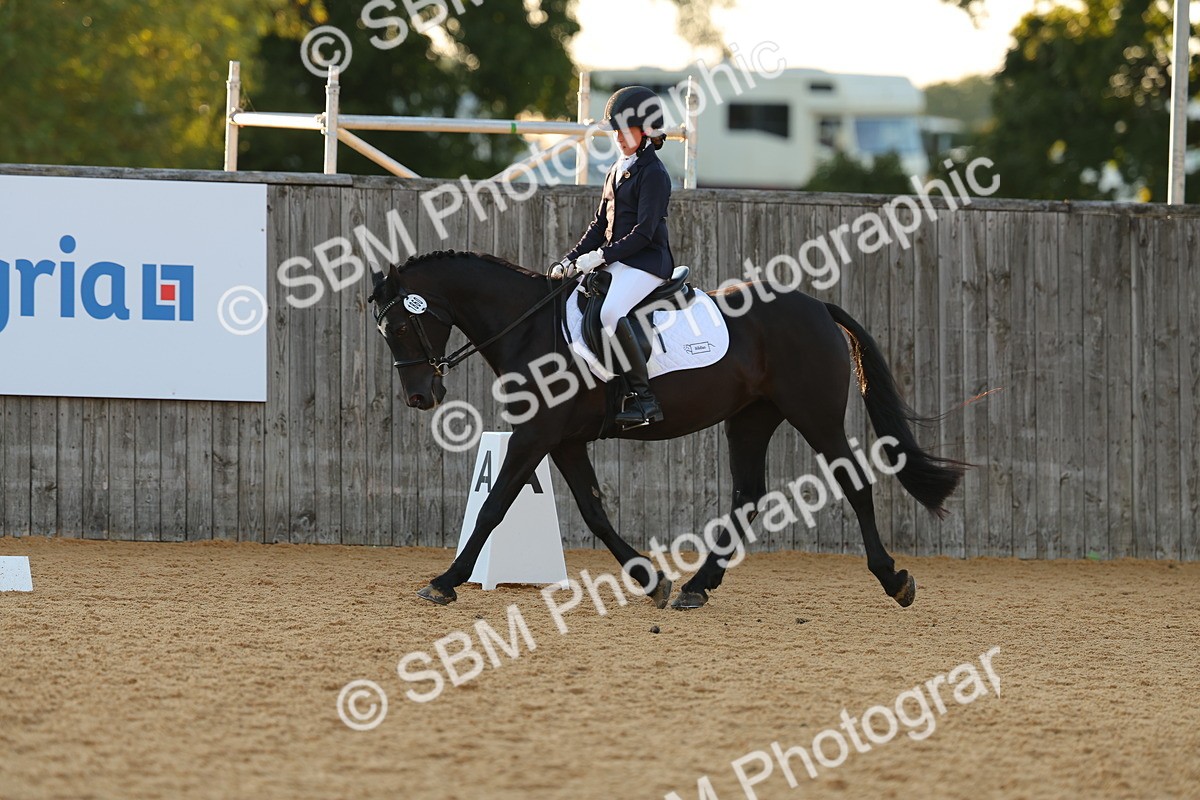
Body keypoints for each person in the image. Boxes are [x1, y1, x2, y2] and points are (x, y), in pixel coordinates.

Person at [550, 85, 675, 427]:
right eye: (615, 130)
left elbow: (645, 233)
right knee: (572, 300)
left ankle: (644, 400)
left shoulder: (654, 174)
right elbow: (599, 224)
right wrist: (571, 259)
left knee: (610, 311)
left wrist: (602, 257)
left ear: (646, 131)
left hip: (648, 262)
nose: (618, 137)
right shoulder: (616, 170)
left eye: (625, 130)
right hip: (620, 258)